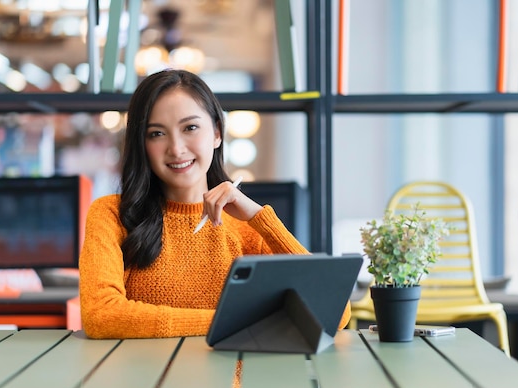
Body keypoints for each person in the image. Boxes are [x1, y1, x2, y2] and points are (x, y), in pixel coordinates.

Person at [79, 69, 351, 339]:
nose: (176, 148)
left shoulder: (246, 229)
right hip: (144, 381)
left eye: (190, 128)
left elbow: (334, 312)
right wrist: (232, 320)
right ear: (142, 143)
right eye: (156, 134)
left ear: (217, 133)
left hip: (230, 381)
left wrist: (261, 219)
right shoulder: (112, 214)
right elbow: (101, 316)